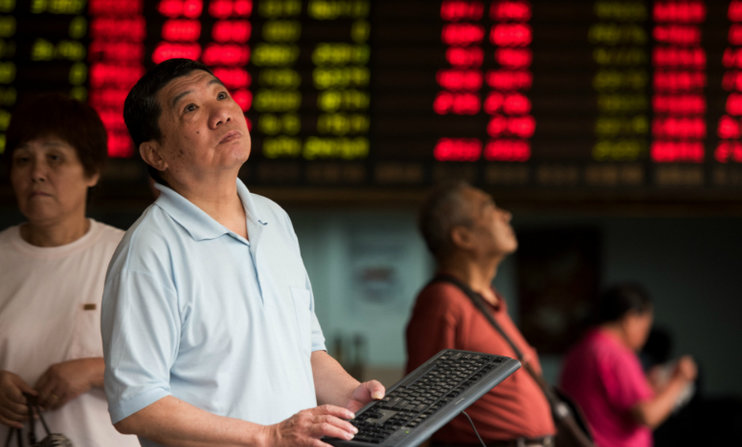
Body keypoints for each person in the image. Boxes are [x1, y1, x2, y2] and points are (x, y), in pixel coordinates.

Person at [100, 58, 385, 447]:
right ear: (156, 155)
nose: (222, 113)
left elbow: (307, 351)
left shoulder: (273, 218)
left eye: (221, 94)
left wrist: (351, 396)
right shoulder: (149, 249)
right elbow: (137, 404)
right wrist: (267, 437)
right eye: (191, 108)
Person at [0, 93, 139, 446]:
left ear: (92, 171)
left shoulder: (131, 255)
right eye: (23, 160)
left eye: (55, 158)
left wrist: (96, 372)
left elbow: (189, 366)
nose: (36, 173)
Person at [405, 181, 556, 447]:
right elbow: (421, 405)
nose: (505, 215)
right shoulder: (444, 301)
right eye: (489, 208)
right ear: (463, 237)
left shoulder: (489, 300)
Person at [559, 283, 697, 447]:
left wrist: (647, 385)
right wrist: (678, 381)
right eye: (645, 327)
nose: (644, 336)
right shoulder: (617, 355)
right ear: (630, 319)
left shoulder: (579, 350)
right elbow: (647, 416)